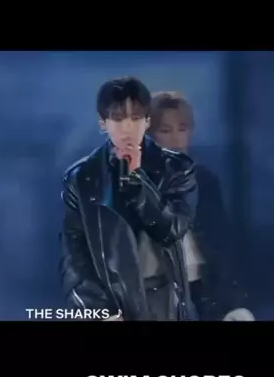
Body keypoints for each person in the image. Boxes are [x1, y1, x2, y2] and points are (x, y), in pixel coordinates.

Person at [59, 77, 197, 321]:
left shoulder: (175, 168)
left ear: (147, 121)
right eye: (118, 118)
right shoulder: (81, 179)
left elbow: (172, 229)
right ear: (103, 122)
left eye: (135, 118)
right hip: (113, 305)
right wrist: (99, 312)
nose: (127, 128)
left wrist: (136, 180)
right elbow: (75, 257)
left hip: (165, 301)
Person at [148, 91, 249, 320]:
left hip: (202, 290)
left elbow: (221, 243)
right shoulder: (135, 184)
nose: (176, 139)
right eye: (166, 131)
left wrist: (232, 302)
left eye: (182, 129)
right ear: (150, 135)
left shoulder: (204, 179)